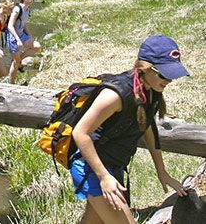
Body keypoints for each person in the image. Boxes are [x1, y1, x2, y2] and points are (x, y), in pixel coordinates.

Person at [71, 35, 189, 223]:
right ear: (144, 67)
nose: (169, 80)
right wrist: (104, 177)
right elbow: (80, 133)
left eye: (172, 75)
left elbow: (148, 127)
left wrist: (162, 172)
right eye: (164, 74)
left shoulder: (151, 91)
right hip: (92, 169)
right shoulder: (115, 95)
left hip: (114, 166)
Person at [6, 0, 42, 84]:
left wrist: (30, 36)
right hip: (13, 37)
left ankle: (19, 60)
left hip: (22, 35)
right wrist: (18, 39)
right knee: (16, 63)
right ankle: (11, 84)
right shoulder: (18, 9)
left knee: (37, 46)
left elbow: (24, 24)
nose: (31, 0)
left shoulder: (27, 9)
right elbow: (10, 25)